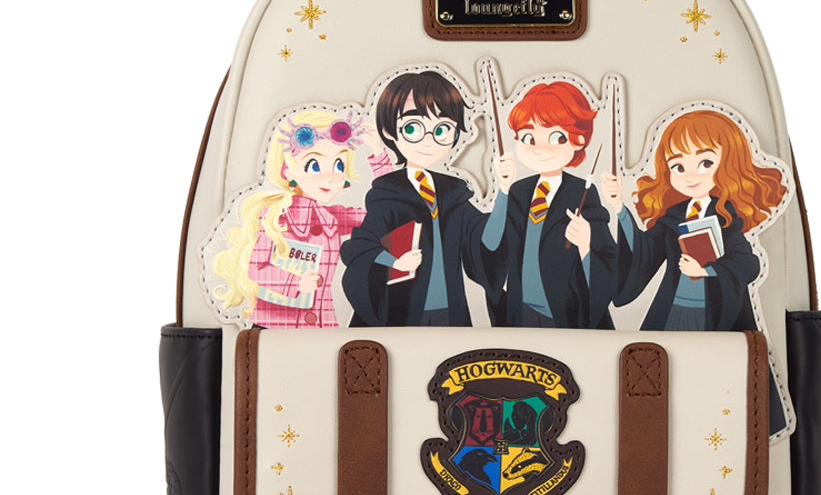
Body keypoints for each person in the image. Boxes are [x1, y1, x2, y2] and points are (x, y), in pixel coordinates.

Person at [340, 68, 502, 326]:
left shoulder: (454, 193)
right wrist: (394, 262)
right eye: (413, 128)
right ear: (389, 131)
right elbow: (361, 247)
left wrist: (504, 191)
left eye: (442, 129)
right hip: (403, 312)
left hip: (450, 314)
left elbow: (485, 241)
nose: (429, 141)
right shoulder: (388, 194)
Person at [602, 107, 786, 332]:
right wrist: (619, 207)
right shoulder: (673, 218)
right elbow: (644, 250)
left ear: (728, 162)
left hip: (714, 316)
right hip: (673, 308)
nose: (690, 176)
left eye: (706, 163)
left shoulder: (726, 219)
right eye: (678, 167)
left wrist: (705, 270)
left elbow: (747, 264)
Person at [212, 109, 391, 327]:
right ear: (288, 172)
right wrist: (295, 282)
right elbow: (256, 268)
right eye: (314, 166)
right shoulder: (277, 217)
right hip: (275, 328)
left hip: (322, 328)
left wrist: (378, 152)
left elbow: (385, 212)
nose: (330, 177)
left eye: (338, 165)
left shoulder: (332, 218)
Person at [484, 79, 616, 328]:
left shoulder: (582, 193)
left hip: (565, 315)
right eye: (529, 138)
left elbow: (608, 259)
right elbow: (490, 245)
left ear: (578, 140)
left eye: (556, 137)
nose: (540, 149)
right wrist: (502, 189)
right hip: (520, 313)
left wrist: (585, 243)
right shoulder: (517, 191)